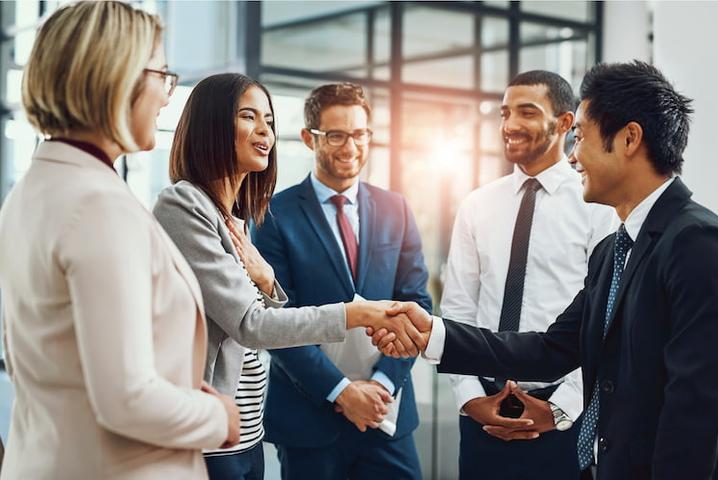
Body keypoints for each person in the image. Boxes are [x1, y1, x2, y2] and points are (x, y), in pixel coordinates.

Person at [378, 61, 718, 480]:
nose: (573, 154)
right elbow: (551, 350)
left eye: (581, 136)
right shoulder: (615, 250)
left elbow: (695, 412)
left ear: (629, 139)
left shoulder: (698, 242)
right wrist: (432, 332)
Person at [0, 2, 240, 478]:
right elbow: (126, 400)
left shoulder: (33, 191)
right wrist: (220, 417)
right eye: (163, 75)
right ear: (118, 77)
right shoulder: (97, 206)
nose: (168, 96)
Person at [152, 74, 422, 480]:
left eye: (269, 120)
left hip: (246, 430)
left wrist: (267, 282)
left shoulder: (238, 217)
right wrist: (356, 315)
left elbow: (256, 315)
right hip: (216, 429)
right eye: (248, 116)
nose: (264, 131)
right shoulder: (187, 204)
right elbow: (252, 325)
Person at [251, 83, 432, 480]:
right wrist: (343, 391)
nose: (351, 147)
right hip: (308, 419)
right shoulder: (272, 215)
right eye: (336, 135)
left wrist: (383, 384)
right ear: (308, 138)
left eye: (360, 134)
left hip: (388, 414)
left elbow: (416, 302)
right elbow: (278, 320)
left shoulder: (395, 208)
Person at [441, 70, 614, 479]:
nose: (510, 125)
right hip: (481, 414)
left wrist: (559, 409)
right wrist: (469, 398)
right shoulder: (477, 205)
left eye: (527, 112)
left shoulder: (597, 208)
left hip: (561, 419)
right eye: (505, 113)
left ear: (565, 123)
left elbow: (603, 321)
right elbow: (458, 308)